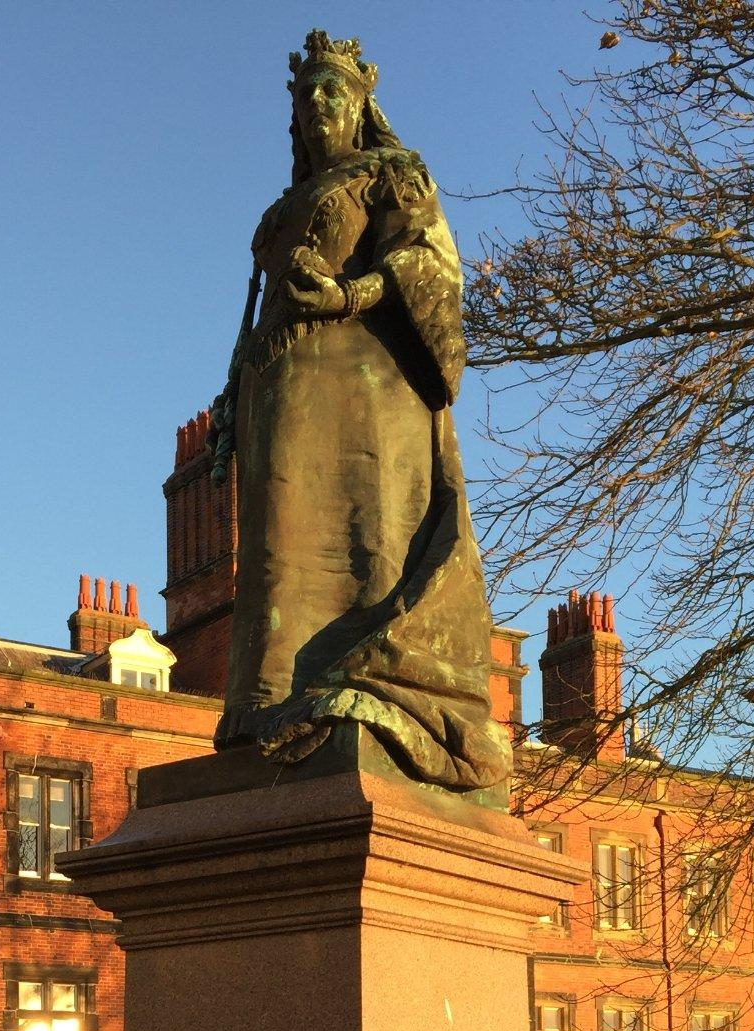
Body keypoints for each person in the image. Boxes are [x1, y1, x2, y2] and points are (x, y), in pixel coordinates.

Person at [210, 29, 511, 794]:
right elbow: (254, 318)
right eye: (306, 92)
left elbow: (426, 264)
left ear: (361, 101)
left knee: (366, 539)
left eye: (332, 89)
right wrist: (228, 400)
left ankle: (373, 689)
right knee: (279, 552)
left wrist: (349, 295)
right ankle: (269, 707)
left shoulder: (395, 175)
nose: (317, 103)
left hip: (368, 390)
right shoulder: (280, 211)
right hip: (280, 396)